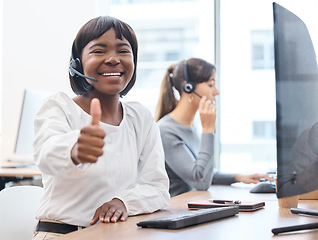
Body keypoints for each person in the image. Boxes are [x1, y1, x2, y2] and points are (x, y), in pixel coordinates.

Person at [32, 16, 170, 239]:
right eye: (99, 50)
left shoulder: (140, 117)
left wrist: (124, 202)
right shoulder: (59, 106)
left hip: (116, 234)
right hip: (63, 235)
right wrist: (75, 150)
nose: (113, 59)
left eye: (123, 51)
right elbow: (45, 155)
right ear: (77, 63)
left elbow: (158, 188)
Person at [154, 58, 273, 197]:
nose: (216, 92)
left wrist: (238, 177)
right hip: (175, 211)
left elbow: (205, 172)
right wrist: (208, 129)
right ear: (188, 87)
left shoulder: (190, 126)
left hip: (191, 206)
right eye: (211, 85)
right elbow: (201, 181)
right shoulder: (166, 131)